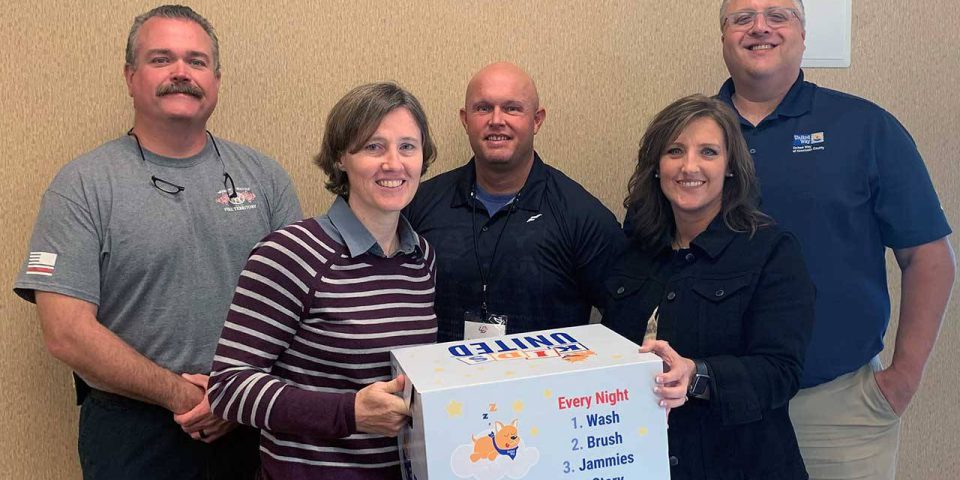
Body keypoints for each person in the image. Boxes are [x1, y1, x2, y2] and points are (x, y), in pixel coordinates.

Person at [12, 5, 302, 479]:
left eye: (197, 61)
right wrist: (185, 396)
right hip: (134, 430)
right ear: (130, 76)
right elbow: (65, 332)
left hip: (252, 418)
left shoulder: (264, 177)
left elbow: (299, 304)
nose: (182, 73)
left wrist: (233, 396)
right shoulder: (83, 185)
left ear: (217, 79)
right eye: (161, 59)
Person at [714, 1, 956, 478]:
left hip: (837, 411)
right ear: (723, 38)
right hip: (717, 405)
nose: (760, 26)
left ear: (804, 35)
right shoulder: (690, 135)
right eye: (742, 17)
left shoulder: (865, 129)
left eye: (778, 15)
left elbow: (929, 257)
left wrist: (901, 381)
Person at [207, 82, 438, 479]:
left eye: (407, 147)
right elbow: (228, 388)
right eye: (373, 147)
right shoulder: (290, 253)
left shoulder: (422, 259)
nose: (393, 163)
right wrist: (349, 413)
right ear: (340, 159)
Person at [603, 94, 815, 479]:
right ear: (656, 166)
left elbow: (780, 371)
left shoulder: (771, 251)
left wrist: (697, 375)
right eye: (675, 151)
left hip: (740, 464)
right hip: (645, 461)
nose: (689, 166)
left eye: (708, 152)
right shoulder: (635, 250)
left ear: (730, 167)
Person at [404, 61, 625, 342]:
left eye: (512, 108)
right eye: (483, 108)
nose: (496, 120)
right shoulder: (419, 204)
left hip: (545, 385)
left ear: (537, 120)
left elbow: (625, 318)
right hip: (441, 383)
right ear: (465, 119)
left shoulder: (582, 216)